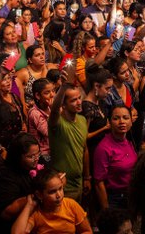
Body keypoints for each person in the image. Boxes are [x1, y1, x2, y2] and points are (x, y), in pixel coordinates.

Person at [48, 62, 89, 202]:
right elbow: (54, 110)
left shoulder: (82, 120)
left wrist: (87, 177)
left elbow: (84, 149)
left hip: (79, 182)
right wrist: (63, 87)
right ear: (63, 105)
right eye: (73, 100)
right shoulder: (57, 123)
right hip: (63, 185)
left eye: (79, 98)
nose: (79, 102)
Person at [12, 168, 92, 234]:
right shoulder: (36, 213)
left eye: (60, 189)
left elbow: (87, 231)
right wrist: (29, 205)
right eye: (52, 192)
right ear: (40, 195)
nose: (58, 195)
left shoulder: (71, 205)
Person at [93, 105, 137, 210]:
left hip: (129, 194)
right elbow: (99, 183)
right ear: (109, 122)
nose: (121, 121)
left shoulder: (129, 141)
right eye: (116, 118)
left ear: (131, 121)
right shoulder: (104, 148)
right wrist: (106, 210)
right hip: (114, 198)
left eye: (125, 118)